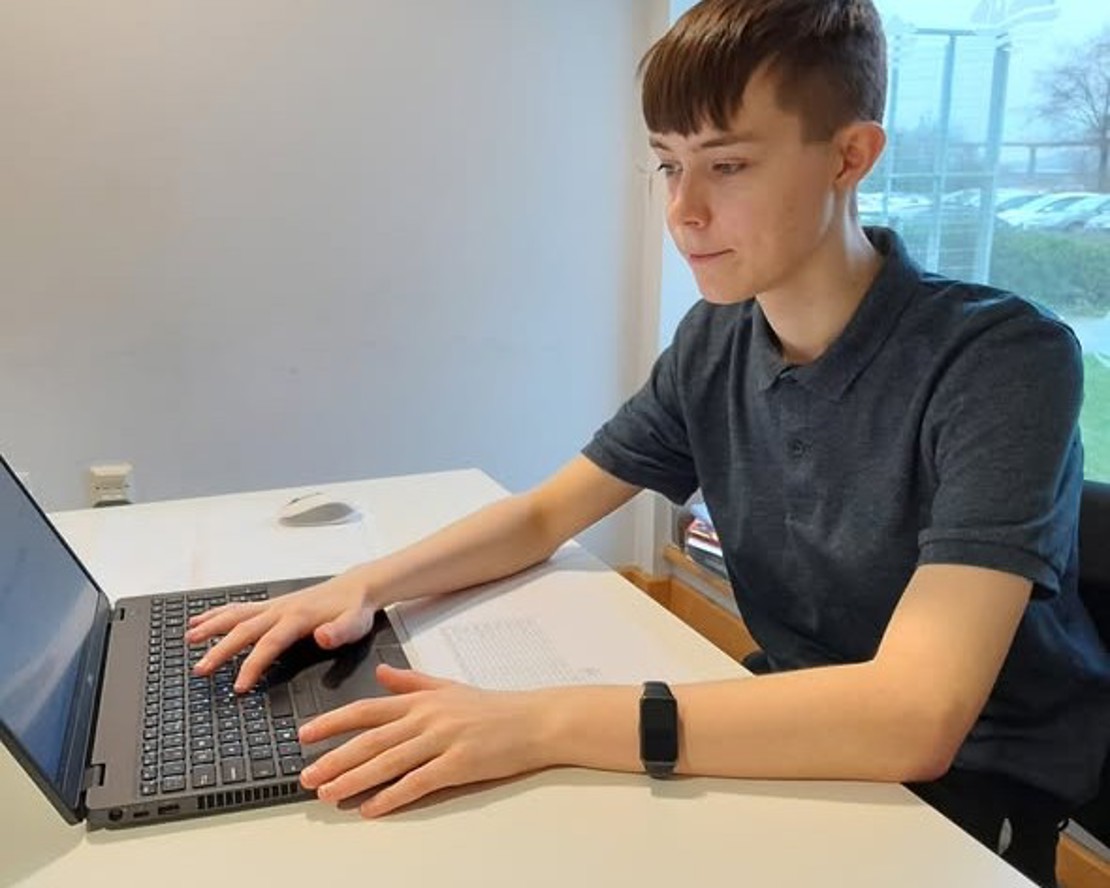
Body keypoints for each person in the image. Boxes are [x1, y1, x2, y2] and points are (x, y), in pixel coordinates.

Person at [187, 2, 1110, 884]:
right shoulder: (717, 341)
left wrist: (541, 723)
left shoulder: (1001, 360)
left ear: (849, 156)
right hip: (792, 705)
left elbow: (915, 716)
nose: (684, 211)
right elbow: (549, 510)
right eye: (669, 166)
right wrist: (364, 583)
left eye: (730, 166)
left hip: (969, 777)